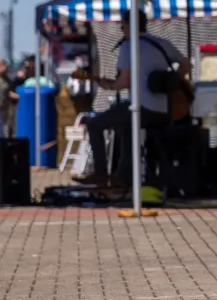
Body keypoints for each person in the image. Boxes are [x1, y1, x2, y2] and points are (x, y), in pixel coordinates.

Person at [81, 11, 190, 186]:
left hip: (142, 109)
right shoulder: (161, 43)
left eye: (122, 25)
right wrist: (175, 78)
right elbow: (186, 63)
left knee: (94, 123)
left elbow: (124, 82)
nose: (121, 29)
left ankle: (100, 174)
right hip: (164, 112)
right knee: (126, 123)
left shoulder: (129, 46)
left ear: (128, 25)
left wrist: (109, 85)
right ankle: (123, 176)